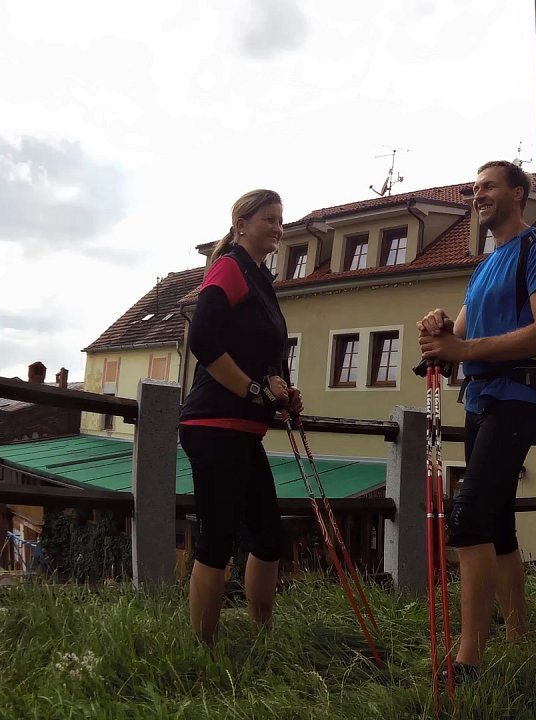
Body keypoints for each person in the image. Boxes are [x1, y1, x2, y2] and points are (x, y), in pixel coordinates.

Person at [416, 160, 536, 681]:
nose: (476, 195)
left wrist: (461, 345)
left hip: (519, 396)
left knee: (469, 519)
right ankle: (518, 637)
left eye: (487, 187)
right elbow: (456, 340)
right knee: (499, 524)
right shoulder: (484, 265)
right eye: (473, 189)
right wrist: (437, 330)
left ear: (518, 194)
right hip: (481, 398)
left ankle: (469, 659)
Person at [180, 189, 304, 645]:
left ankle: (261, 634)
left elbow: (264, 353)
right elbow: (205, 340)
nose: (277, 227)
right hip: (214, 424)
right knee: (216, 541)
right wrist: (254, 390)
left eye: (280, 219)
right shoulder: (229, 267)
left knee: (268, 537)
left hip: (243, 430)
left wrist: (284, 391)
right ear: (242, 223)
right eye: (269, 218)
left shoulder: (259, 279)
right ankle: (203, 648)